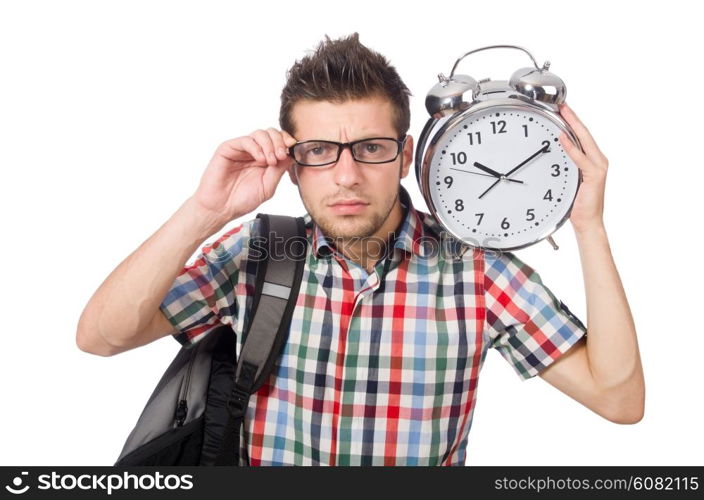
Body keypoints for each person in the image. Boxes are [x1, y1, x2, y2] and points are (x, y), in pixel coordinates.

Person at [76, 33, 645, 466]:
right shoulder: (255, 253)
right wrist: (207, 211)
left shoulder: (478, 272)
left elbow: (619, 401)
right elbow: (103, 336)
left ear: (406, 154)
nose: (346, 176)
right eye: (321, 150)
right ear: (293, 166)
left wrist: (588, 225)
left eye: (370, 147)